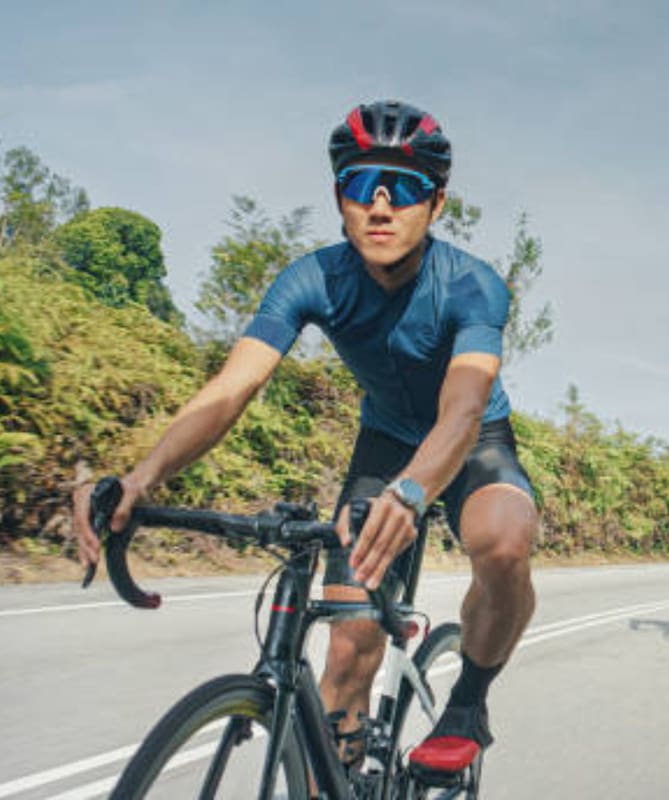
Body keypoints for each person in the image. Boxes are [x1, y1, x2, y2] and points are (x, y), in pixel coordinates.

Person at [71, 100, 538, 776]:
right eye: (360, 185)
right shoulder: (312, 278)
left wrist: (413, 495)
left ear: (435, 206)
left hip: (470, 440)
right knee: (349, 647)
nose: (380, 206)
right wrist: (142, 478)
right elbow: (230, 390)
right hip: (383, 444)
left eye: (403, 188)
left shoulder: (472, 285)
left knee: (504, 541)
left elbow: (462, 412)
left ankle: (467, 699)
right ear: (338, 198)